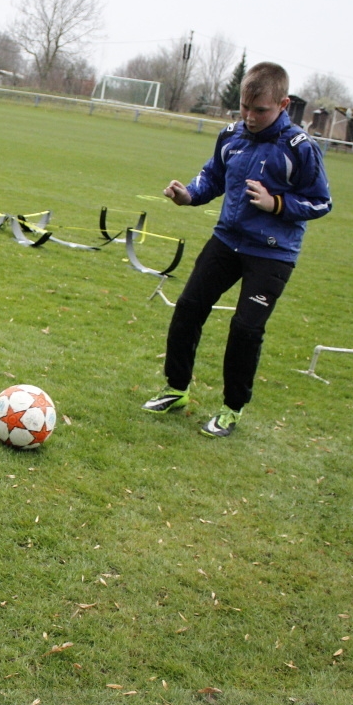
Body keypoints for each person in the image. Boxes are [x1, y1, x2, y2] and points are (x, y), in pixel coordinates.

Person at [142, 62, 331, 437]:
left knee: (245, 329)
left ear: (283, 104)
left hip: (273, 253)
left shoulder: (300, 148)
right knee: (188, 308)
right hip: (227, 240)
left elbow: (321, 202)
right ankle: (176, 389)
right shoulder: (232, 134)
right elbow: (213, 175)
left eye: (259, 110)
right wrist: (189, 195)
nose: (250, 116)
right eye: (245, 107)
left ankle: (232, 408)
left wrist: (276, 204)